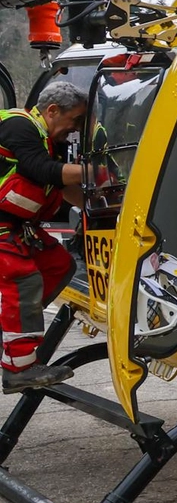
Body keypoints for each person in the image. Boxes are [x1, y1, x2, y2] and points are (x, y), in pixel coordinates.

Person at [0, 81, 87, 393]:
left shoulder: (47, 140)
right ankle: (18, 369)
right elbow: (44, 170)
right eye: (75, 120)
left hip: (17, 226)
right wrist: (99, 172)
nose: (75, 128)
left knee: (58, 265)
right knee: (24, 279)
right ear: (52, 111)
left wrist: (105, 206)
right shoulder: (17, 125)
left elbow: (64, 187)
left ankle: (11, 332)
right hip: (2, 226)